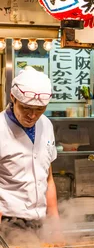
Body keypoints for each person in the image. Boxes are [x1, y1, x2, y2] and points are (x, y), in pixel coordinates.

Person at [0, 67, 58, 230]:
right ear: (13, 97)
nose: (32, 115)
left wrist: (55, 224)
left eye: (39, 109)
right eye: (26, 108)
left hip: (40, 222)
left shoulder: (46, 124)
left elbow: (48, 178)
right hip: (7, 223)